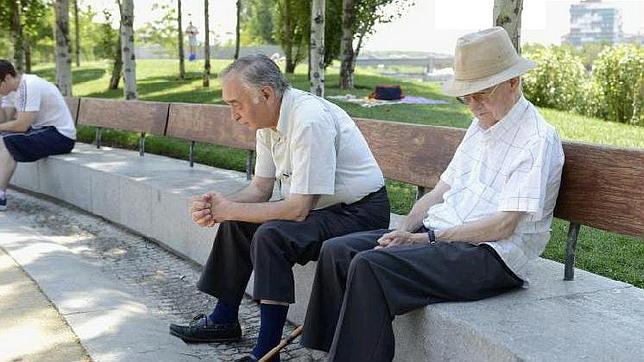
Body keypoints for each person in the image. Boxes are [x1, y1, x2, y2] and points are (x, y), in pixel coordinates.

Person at [300, 27, 565, 361]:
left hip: (491, 256)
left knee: (370, 266)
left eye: (480, 93)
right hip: (443, 237)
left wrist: (429, 239)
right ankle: (323, 353)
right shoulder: (480, 126)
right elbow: (440, 190)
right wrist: (406, 228)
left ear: (513, 82)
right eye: (465, 96)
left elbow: (503, 226)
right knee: (338, 252)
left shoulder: (537, 139)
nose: (471, 104)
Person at [168, 54, 390, 361]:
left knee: (270, 235)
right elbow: (260, 188)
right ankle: (223, 319)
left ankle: (266, 352)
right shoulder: (267, 122)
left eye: (236, 103)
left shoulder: (308, 120)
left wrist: (229, 209)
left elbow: (298, 209)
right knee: (236, 221)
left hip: (359, 213)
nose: (233, 114)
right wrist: (217, 206)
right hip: (323, 210)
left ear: (267, 94)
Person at [0, 60, 76, 211]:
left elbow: (22, 126)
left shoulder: (30, 85)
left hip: (60, 135)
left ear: (7, 77)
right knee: (4, 137)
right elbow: (5, 121)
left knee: (6, 140)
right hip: (41, 131)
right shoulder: (9, 92)